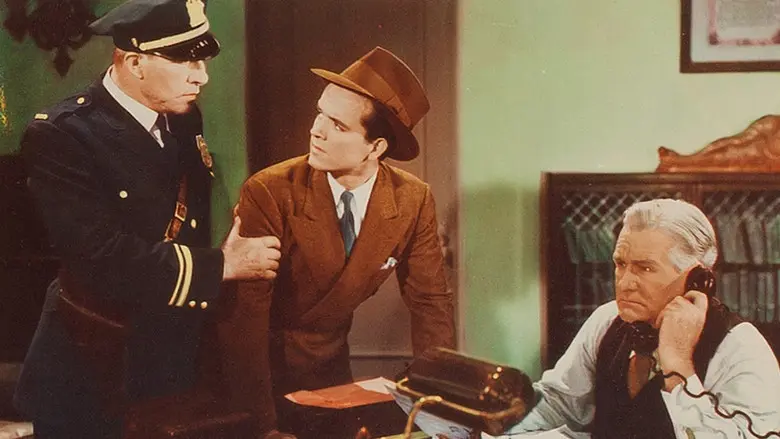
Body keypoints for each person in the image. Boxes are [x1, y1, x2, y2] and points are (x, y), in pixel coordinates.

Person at [13, 1, 282, 438]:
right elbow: (101, 259)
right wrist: (222, 265)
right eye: (186, 62)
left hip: (172, 361)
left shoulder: (183, 118)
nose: (202, 77)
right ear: (134, 62)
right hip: (91, 364)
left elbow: (184, 224)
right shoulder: (63, 133)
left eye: (203, 62)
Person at [214, 46, 456, 438]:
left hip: (329, 372)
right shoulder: (270, 190)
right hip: (255, 378)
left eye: (339, 126)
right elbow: (246, 318)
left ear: (376, 148)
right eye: (320, 114)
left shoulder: (413, 199)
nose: (317, 130)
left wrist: (438, 412)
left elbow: (431, 305)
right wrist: (262, 428)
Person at [494, 199, 780, 438]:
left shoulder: (739, 347)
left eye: (645, 268)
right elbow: (560, 403)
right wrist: (489, 428)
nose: (625, 282)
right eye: (620, 264)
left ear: (696, 279)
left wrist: (678, 364)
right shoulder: (607, 320)